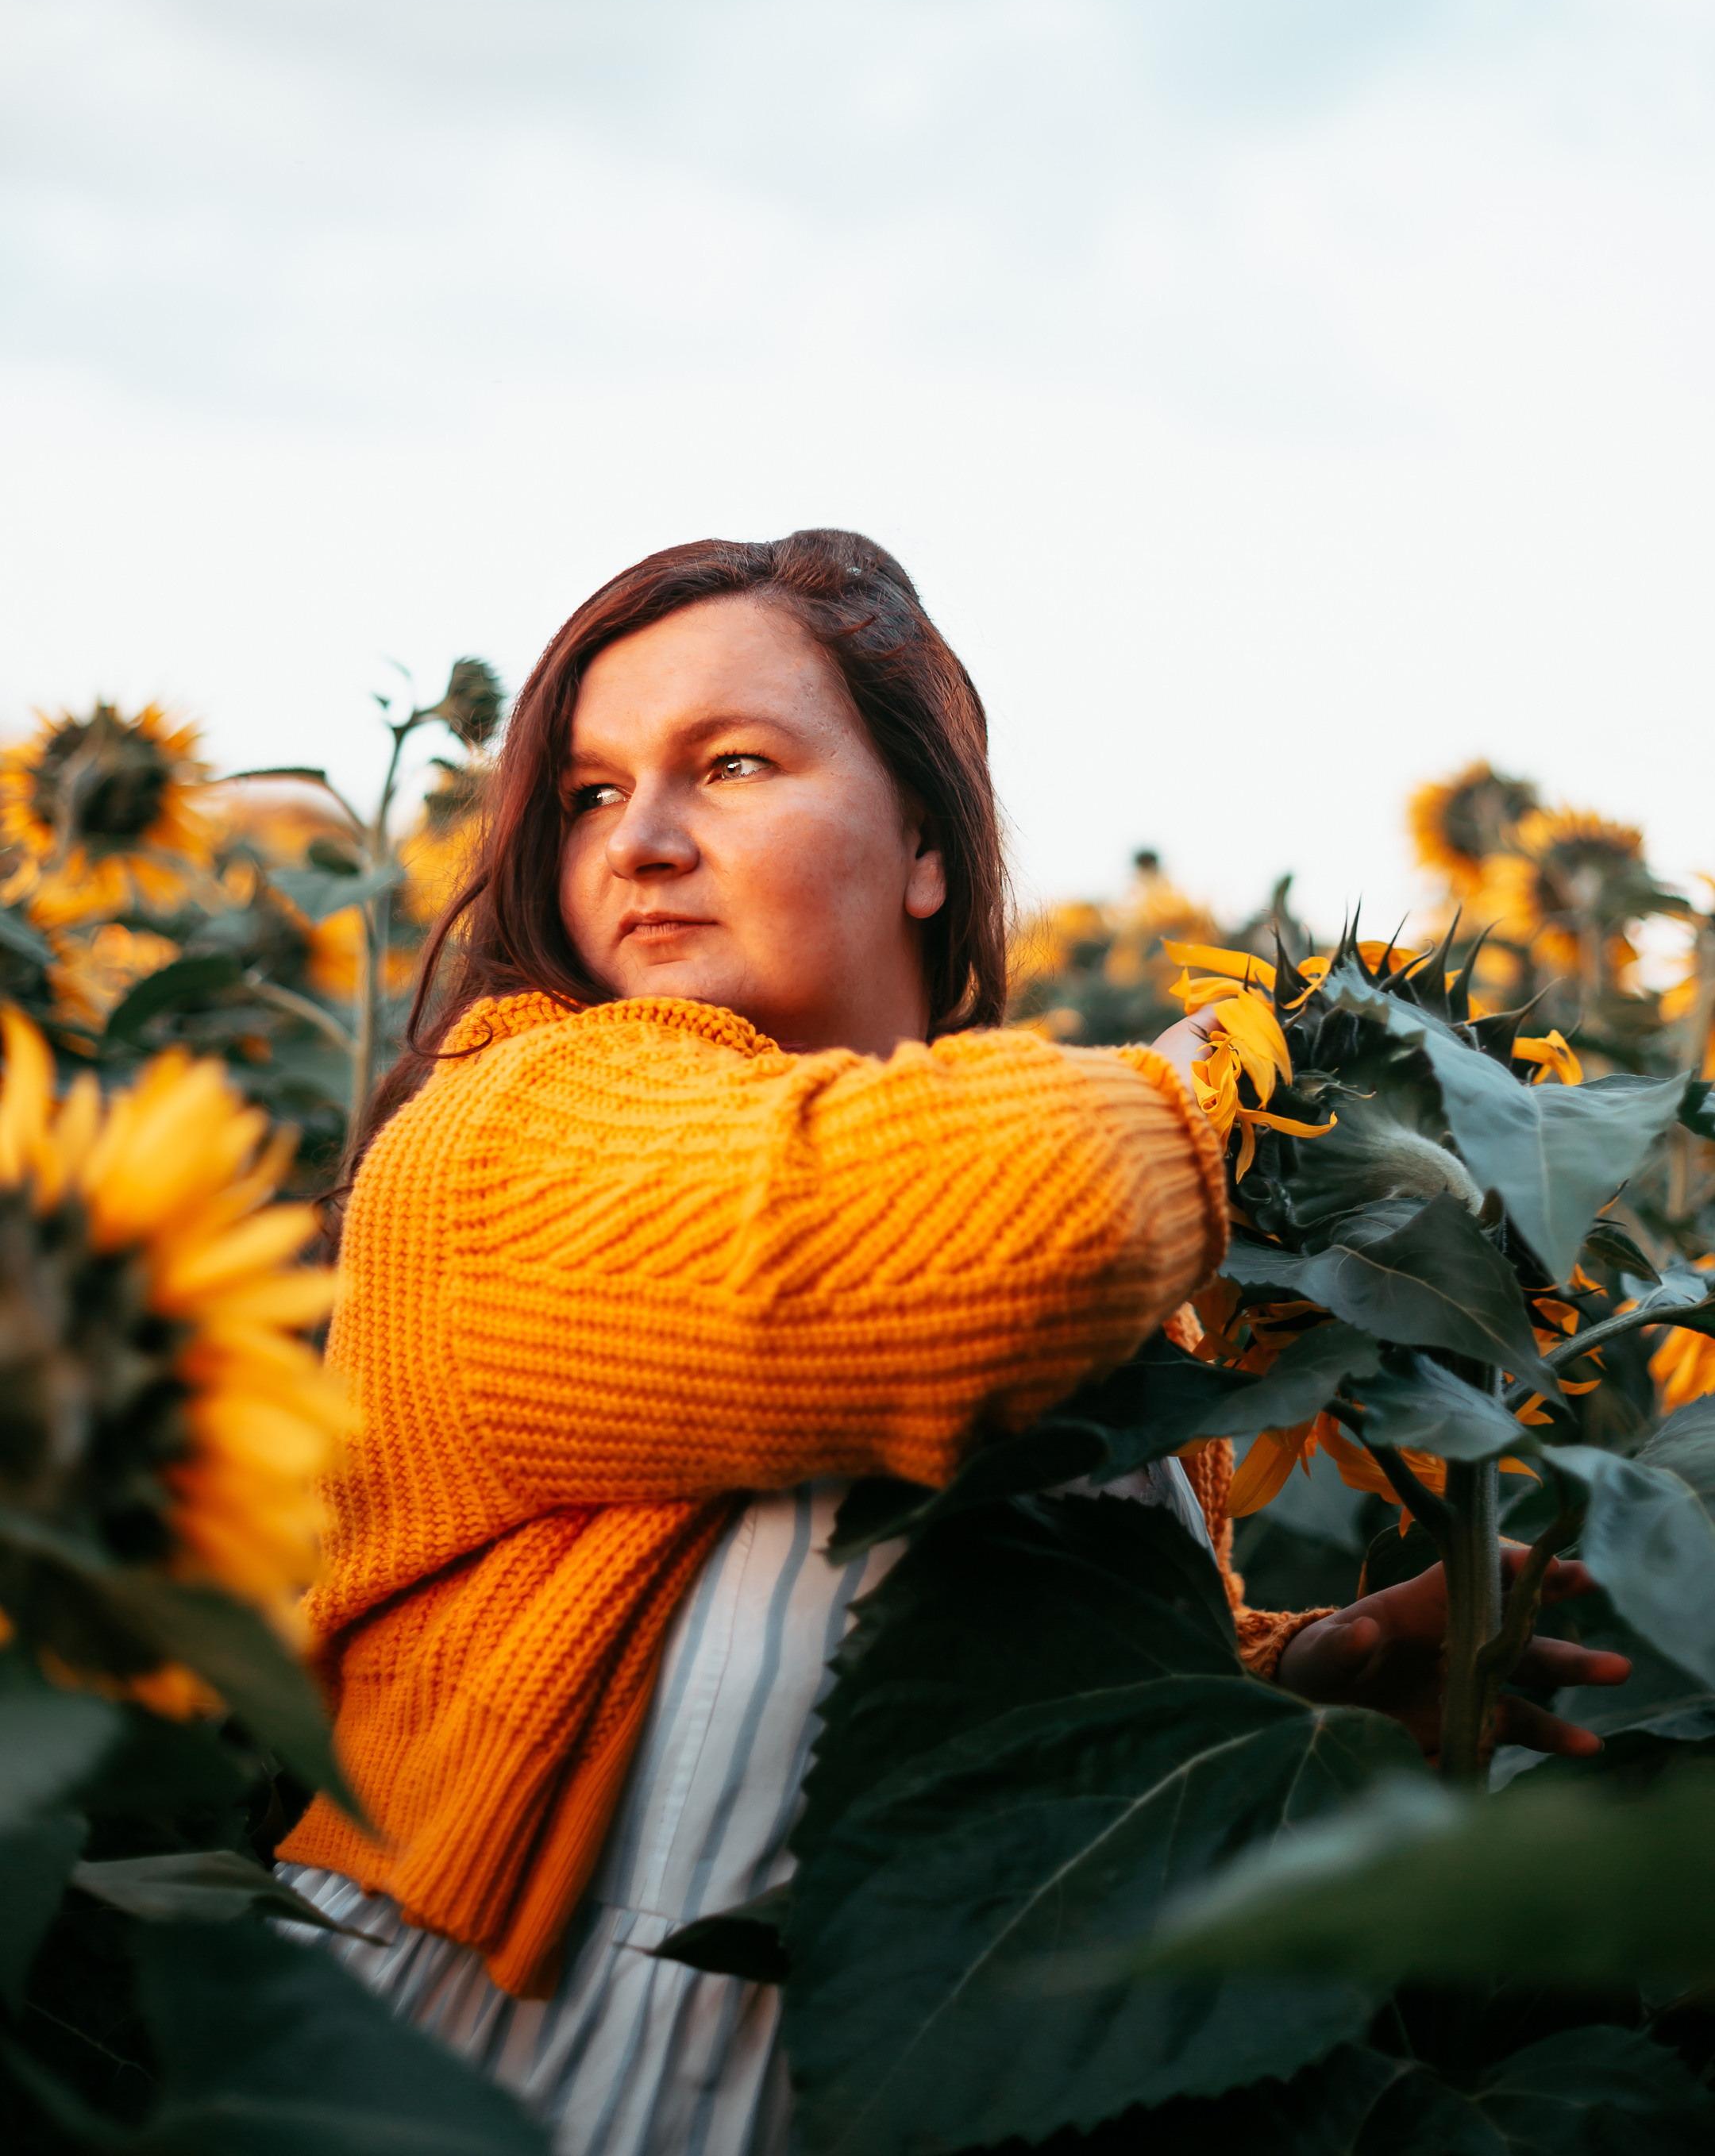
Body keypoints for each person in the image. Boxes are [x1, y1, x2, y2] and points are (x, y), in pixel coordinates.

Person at [277, 530, 1625, 2156]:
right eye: (587, 793)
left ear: (922, 840)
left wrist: (1292, 1677)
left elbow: (929, 1694)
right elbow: (949, 1251)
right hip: (484, 2087)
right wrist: (1299, 1068)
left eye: (730, 763)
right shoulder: (491, 1139)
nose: (640, 842)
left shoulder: (1056, 1172)